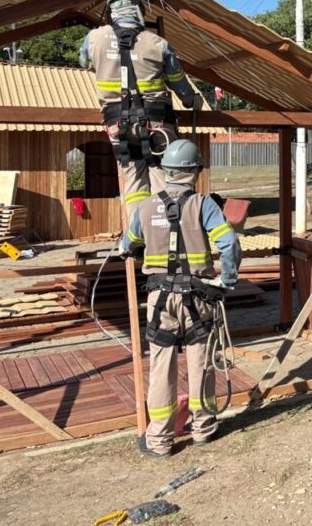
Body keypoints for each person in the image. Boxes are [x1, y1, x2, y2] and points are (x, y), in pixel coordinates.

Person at [121, 140, 241, 457]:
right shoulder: (204, 204)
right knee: (200, 362)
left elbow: (128, 243)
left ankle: (159, 440)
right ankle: (203, 429)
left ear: (167, 171)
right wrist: (227, 281)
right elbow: (229, 244)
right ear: (194, 171)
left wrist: (132, 247)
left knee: (161, 366)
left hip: (160, 299)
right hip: (198, 297)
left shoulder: (145, 206)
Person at [80, 0, 202, 221]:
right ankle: (165, 229)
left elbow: (84, 62)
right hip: (157, 123)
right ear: (138, 9)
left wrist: (109, 60)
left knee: (134, 178)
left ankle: (137, 234)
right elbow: (178, 81)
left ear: (111, 11)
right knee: (163, 175)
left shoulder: (94, 38)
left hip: (117, 124)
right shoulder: (158, 43)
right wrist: (192, 101)